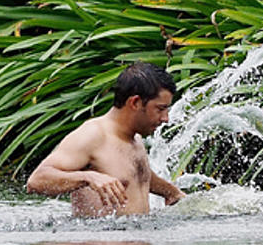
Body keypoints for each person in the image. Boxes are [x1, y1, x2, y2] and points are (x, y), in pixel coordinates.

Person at [26, 61, 184, 216]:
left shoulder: (135, 138)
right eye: (160, 109)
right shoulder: (92, 136)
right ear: (135, 102)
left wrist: (171, 192)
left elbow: (135, 175)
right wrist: (87, 177)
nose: (166, 118)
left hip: (136, 236)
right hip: (99, 240)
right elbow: (37, 180)